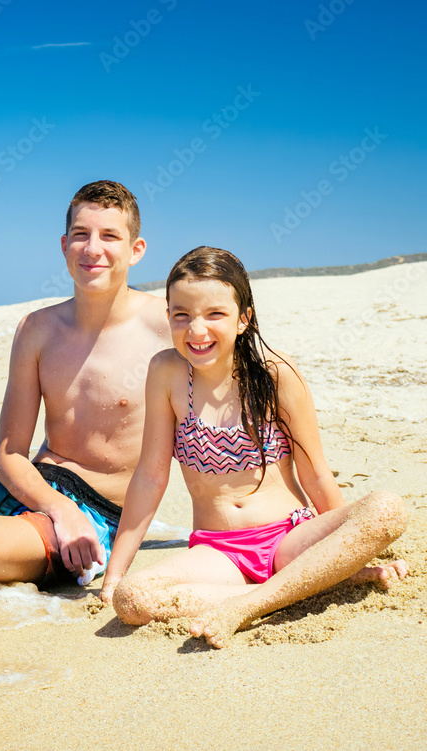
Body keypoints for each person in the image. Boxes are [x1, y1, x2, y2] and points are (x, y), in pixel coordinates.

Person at [100, 246, 409, 648]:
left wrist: (344, 555)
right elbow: (150, 476)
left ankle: (251, 604)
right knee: (133, 599)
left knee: (387, 509)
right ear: (169, 317)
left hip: (291, 540)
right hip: (220, 554)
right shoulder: (166, 372)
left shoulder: (277, 375)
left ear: (243, 318)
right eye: (182, 315)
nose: (197, 330)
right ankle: (285, 594)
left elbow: (315, 472)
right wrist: (115, 575)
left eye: (215, 314)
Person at [0, 180, 171, 596]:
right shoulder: (37, 330)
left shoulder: (167, 329)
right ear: (64, 245)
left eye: (110, 235)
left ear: (136, 249)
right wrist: (59, 509)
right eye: (81, 234)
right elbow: (8, 454)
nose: (93, 248)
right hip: (26, 490)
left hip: (96, 514)